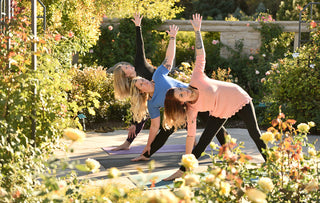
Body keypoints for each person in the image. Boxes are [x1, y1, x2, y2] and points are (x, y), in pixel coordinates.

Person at [162, 13, 267, 181]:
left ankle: (271, 161)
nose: (185, 92)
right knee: (204, 140)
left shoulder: (196, 78)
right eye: (181, 95)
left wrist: (197, 31)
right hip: (220, 110)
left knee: (254, 132)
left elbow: (200, 56)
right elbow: (191, 137)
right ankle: (183, 171)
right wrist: (185, 163)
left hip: (238, 97)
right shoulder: (191, 109)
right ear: (181, 102)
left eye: (181, 90)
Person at [129, 24, 191, 161]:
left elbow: (169, 58)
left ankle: (226, 147)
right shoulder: (152, 103)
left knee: (212, 120)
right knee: (166, 129)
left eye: (142, 80)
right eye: (141, 84)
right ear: (141, 91)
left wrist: (173, 38)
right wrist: (148, 145)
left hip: (193, 95)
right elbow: (154, 127)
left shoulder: (158, 76)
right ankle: (146, 154)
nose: (144, 82)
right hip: (182, 110)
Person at [108, 13, 163, 151]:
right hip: (156, 97)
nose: (129, 66)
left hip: (167, 87)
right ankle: (127, 143)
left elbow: (140, 48)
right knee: (141, 115)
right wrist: (133, 123)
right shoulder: (134, 84)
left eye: (126, 65)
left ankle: (193, 142)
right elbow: (137, 105)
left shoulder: (140, 65)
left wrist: (138, 27)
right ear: (126, 76)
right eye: (126, 68)